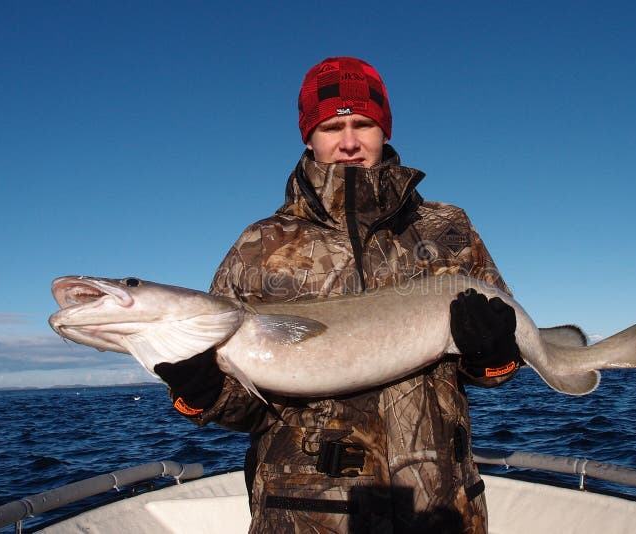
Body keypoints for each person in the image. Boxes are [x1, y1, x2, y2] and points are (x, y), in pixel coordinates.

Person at [154, 57, 523, 533]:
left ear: (384, 130)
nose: (349, 142)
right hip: (307, 514)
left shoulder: (448, 227)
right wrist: (198, 394)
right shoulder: (258, 245)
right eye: (332, 126)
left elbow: (496, 369)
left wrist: (492, 356)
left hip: (441, 508)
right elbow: (244, 408)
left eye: (363, 123)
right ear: (309, 137)